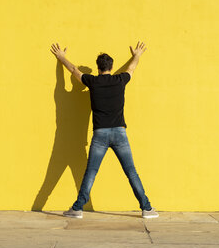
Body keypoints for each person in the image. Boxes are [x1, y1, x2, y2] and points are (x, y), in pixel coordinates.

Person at [49, 41, 159, 219]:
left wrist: (61, 57)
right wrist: (137, 55)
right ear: (112, 67)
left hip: (100, 134)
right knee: (131, 172)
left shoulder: (92, 82)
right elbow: (131, 69)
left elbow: (74, 71)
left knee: (91, 172)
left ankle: (77, 208)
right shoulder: (119, 80)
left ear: (98, 68)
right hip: (120, 133)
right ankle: (147, 208)